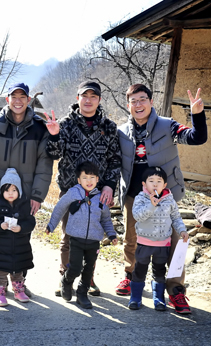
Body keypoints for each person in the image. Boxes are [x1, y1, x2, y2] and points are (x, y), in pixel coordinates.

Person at [116, 84, 207, 314]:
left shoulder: (167, 126)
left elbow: (196, 138)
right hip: (134, 197)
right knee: (132, 239)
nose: (138, 104)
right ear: (128, 105)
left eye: (142, 99)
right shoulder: (122, 131)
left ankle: (176, 291)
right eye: (133, 101)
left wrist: (197, 115)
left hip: (166, 196)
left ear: (151, 101)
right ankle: (130, 275)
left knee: (175, 243)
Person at [44, 81, 121, 296]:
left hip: (97, 193)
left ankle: (89, 279)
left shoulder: (109, 127)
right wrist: (53, 135)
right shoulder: (65, 124)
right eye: (84, 96)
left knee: (92, 238)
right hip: (71, 190)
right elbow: (54, 154)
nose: (88, 100)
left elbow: (115, 160)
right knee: (69, 236)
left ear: (99, 100)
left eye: (93, 96)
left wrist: (109, 186)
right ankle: (65, 276)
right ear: (77, 98)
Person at [0, 82, 53, 297]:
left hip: (26, 194)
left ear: (29, 100)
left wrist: (38, 195)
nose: (18, 101)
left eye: (23, 97)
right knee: (0, 236)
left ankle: (19, 282)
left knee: (22, 238)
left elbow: (44, 165)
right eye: (14, 96)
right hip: (1, 194)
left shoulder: (39, 128)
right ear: (7, 100)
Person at [46, 161, 118, 309]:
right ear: (79, 180)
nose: (89, 181)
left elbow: (106, 218)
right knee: (76, 267)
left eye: (92, 177)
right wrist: (51, 225)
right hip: (76, 239)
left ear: (98, 179)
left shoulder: (100, 198)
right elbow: (60, 208)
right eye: (85, 177)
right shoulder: (73, 193)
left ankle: (82, 294)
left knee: (89, 269)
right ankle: (67, 281)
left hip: (94, 240)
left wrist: (111, 235)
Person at [128, 166, 189, 311]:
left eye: (159, 181)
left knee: (159, 271)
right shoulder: (140, 198)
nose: (155, 184)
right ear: (144, 184)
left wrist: (182, 230)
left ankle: (159, 299)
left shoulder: (169, 200)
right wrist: (151, 205)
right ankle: (135, 298)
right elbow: (138, 216)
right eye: (151, 181)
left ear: (165, 185)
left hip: (163, 244)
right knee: (140, 270)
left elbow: (175, 217)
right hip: (144, 243)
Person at [0, 168, 36, 307]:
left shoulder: (24, 205)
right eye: (7, 190)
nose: (11, 193)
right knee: (0, 272)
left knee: (18, 271)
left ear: (19, 190)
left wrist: (21, 228)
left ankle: (19, 291)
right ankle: (0, 293)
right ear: (2, 191)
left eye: (14, 190)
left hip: (20, 246)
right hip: (0, 246)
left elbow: (30, 222)